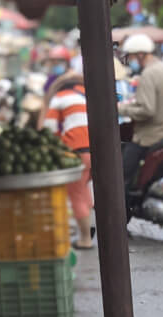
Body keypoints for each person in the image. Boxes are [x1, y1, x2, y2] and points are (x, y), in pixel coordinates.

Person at [118, 34, 163, 210]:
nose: (130, 61)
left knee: (122, 177)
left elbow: (147, 110)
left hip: (150, 136)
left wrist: (121, 109)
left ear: (140, 54)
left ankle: (121, 218)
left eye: (130, 56)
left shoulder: (149, 74)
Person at [41, 72, 94, 250]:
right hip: (95, 150)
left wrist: (54, 145)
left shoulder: (60, 97)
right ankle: (89, 230)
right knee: (84, 189)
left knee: (76, 194)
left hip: (76, 150)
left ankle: (85, 239)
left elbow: (49, 128)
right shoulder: (85, 94)